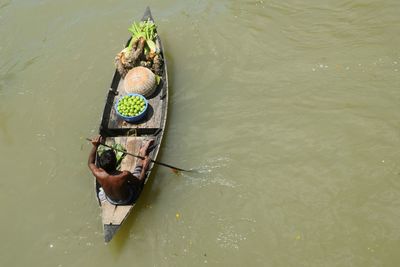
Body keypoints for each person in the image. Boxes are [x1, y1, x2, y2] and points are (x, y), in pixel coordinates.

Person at [88, 135, 154, 205]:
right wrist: (145, 168)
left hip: (111, 201)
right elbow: (139, 183)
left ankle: (142, 155)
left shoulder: (97, 173)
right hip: (128, 199)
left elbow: (90, 163)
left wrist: (95, 146)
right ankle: (143, 153)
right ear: (115, 162)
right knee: (138, 172)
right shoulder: (124, 175)